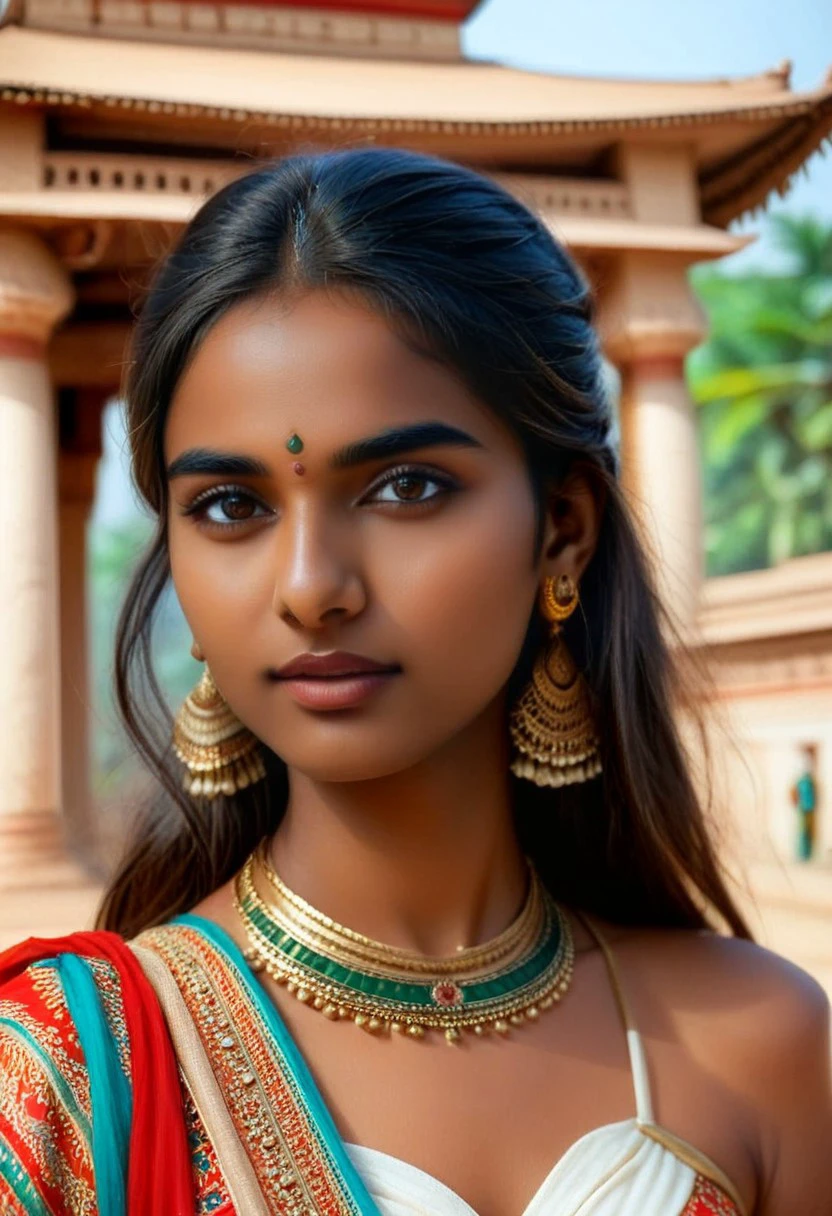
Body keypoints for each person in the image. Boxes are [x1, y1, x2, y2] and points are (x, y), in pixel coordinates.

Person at [1, 147, 830, 1216]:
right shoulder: (63, 1084)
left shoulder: (756, 1049)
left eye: (405, 485)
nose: (310, 588)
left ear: (562, 532)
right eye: (230, 507)